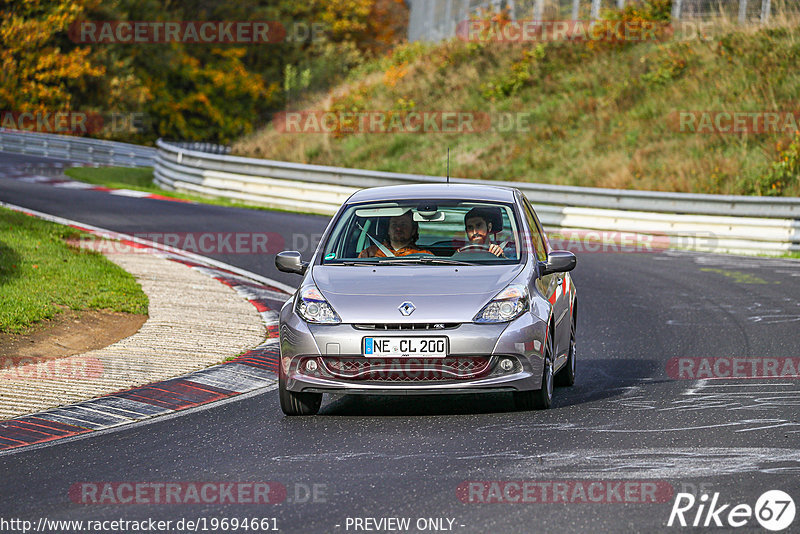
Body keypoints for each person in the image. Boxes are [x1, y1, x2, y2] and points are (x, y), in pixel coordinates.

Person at [358, 210, 432, 258]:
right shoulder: (370, 252)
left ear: (413, 230)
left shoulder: (425, 255)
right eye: (394, 224)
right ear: (388, 230)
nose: (398, 228)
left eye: (403, 224)